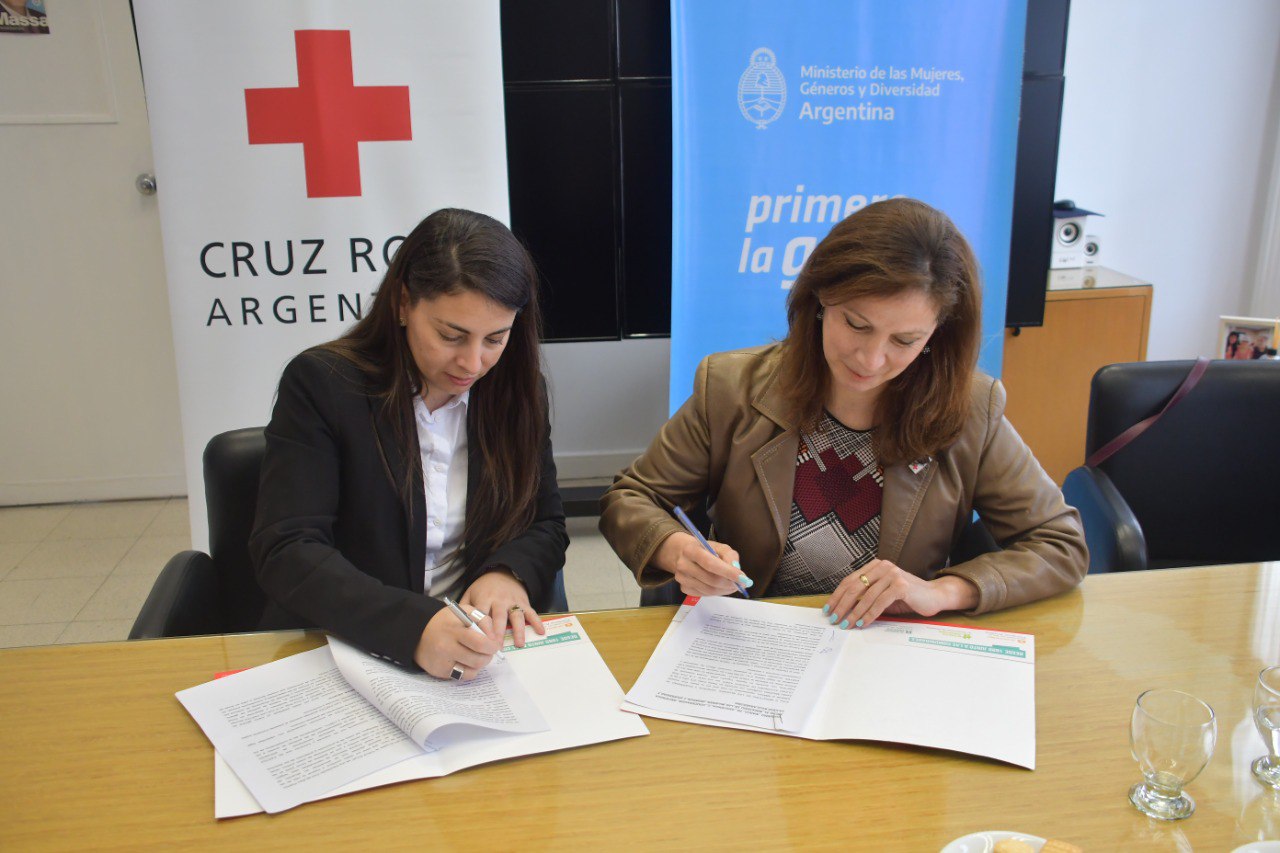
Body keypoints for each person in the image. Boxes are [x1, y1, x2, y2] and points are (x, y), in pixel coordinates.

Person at [600, 198, 1087, 629]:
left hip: (880, 647)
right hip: (752, 634)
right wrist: (676, 549)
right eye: (856, 324)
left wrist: (941, 592)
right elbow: (632, 499)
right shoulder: (731, 388)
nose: (871, 359)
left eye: (905, 341)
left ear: (938, 334)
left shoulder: (970, 409)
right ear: (819, 301)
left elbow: (1060, 544)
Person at [251, 208, 568, 680]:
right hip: (347, 642)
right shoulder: (324, 385)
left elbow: (544, 522)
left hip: (475, 653)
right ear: (403, 303)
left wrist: (507, 573)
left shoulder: (517, 393)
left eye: (495, 339)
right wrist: (414, 628)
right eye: (450, 335)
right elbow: (289, 549)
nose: (473, 363)